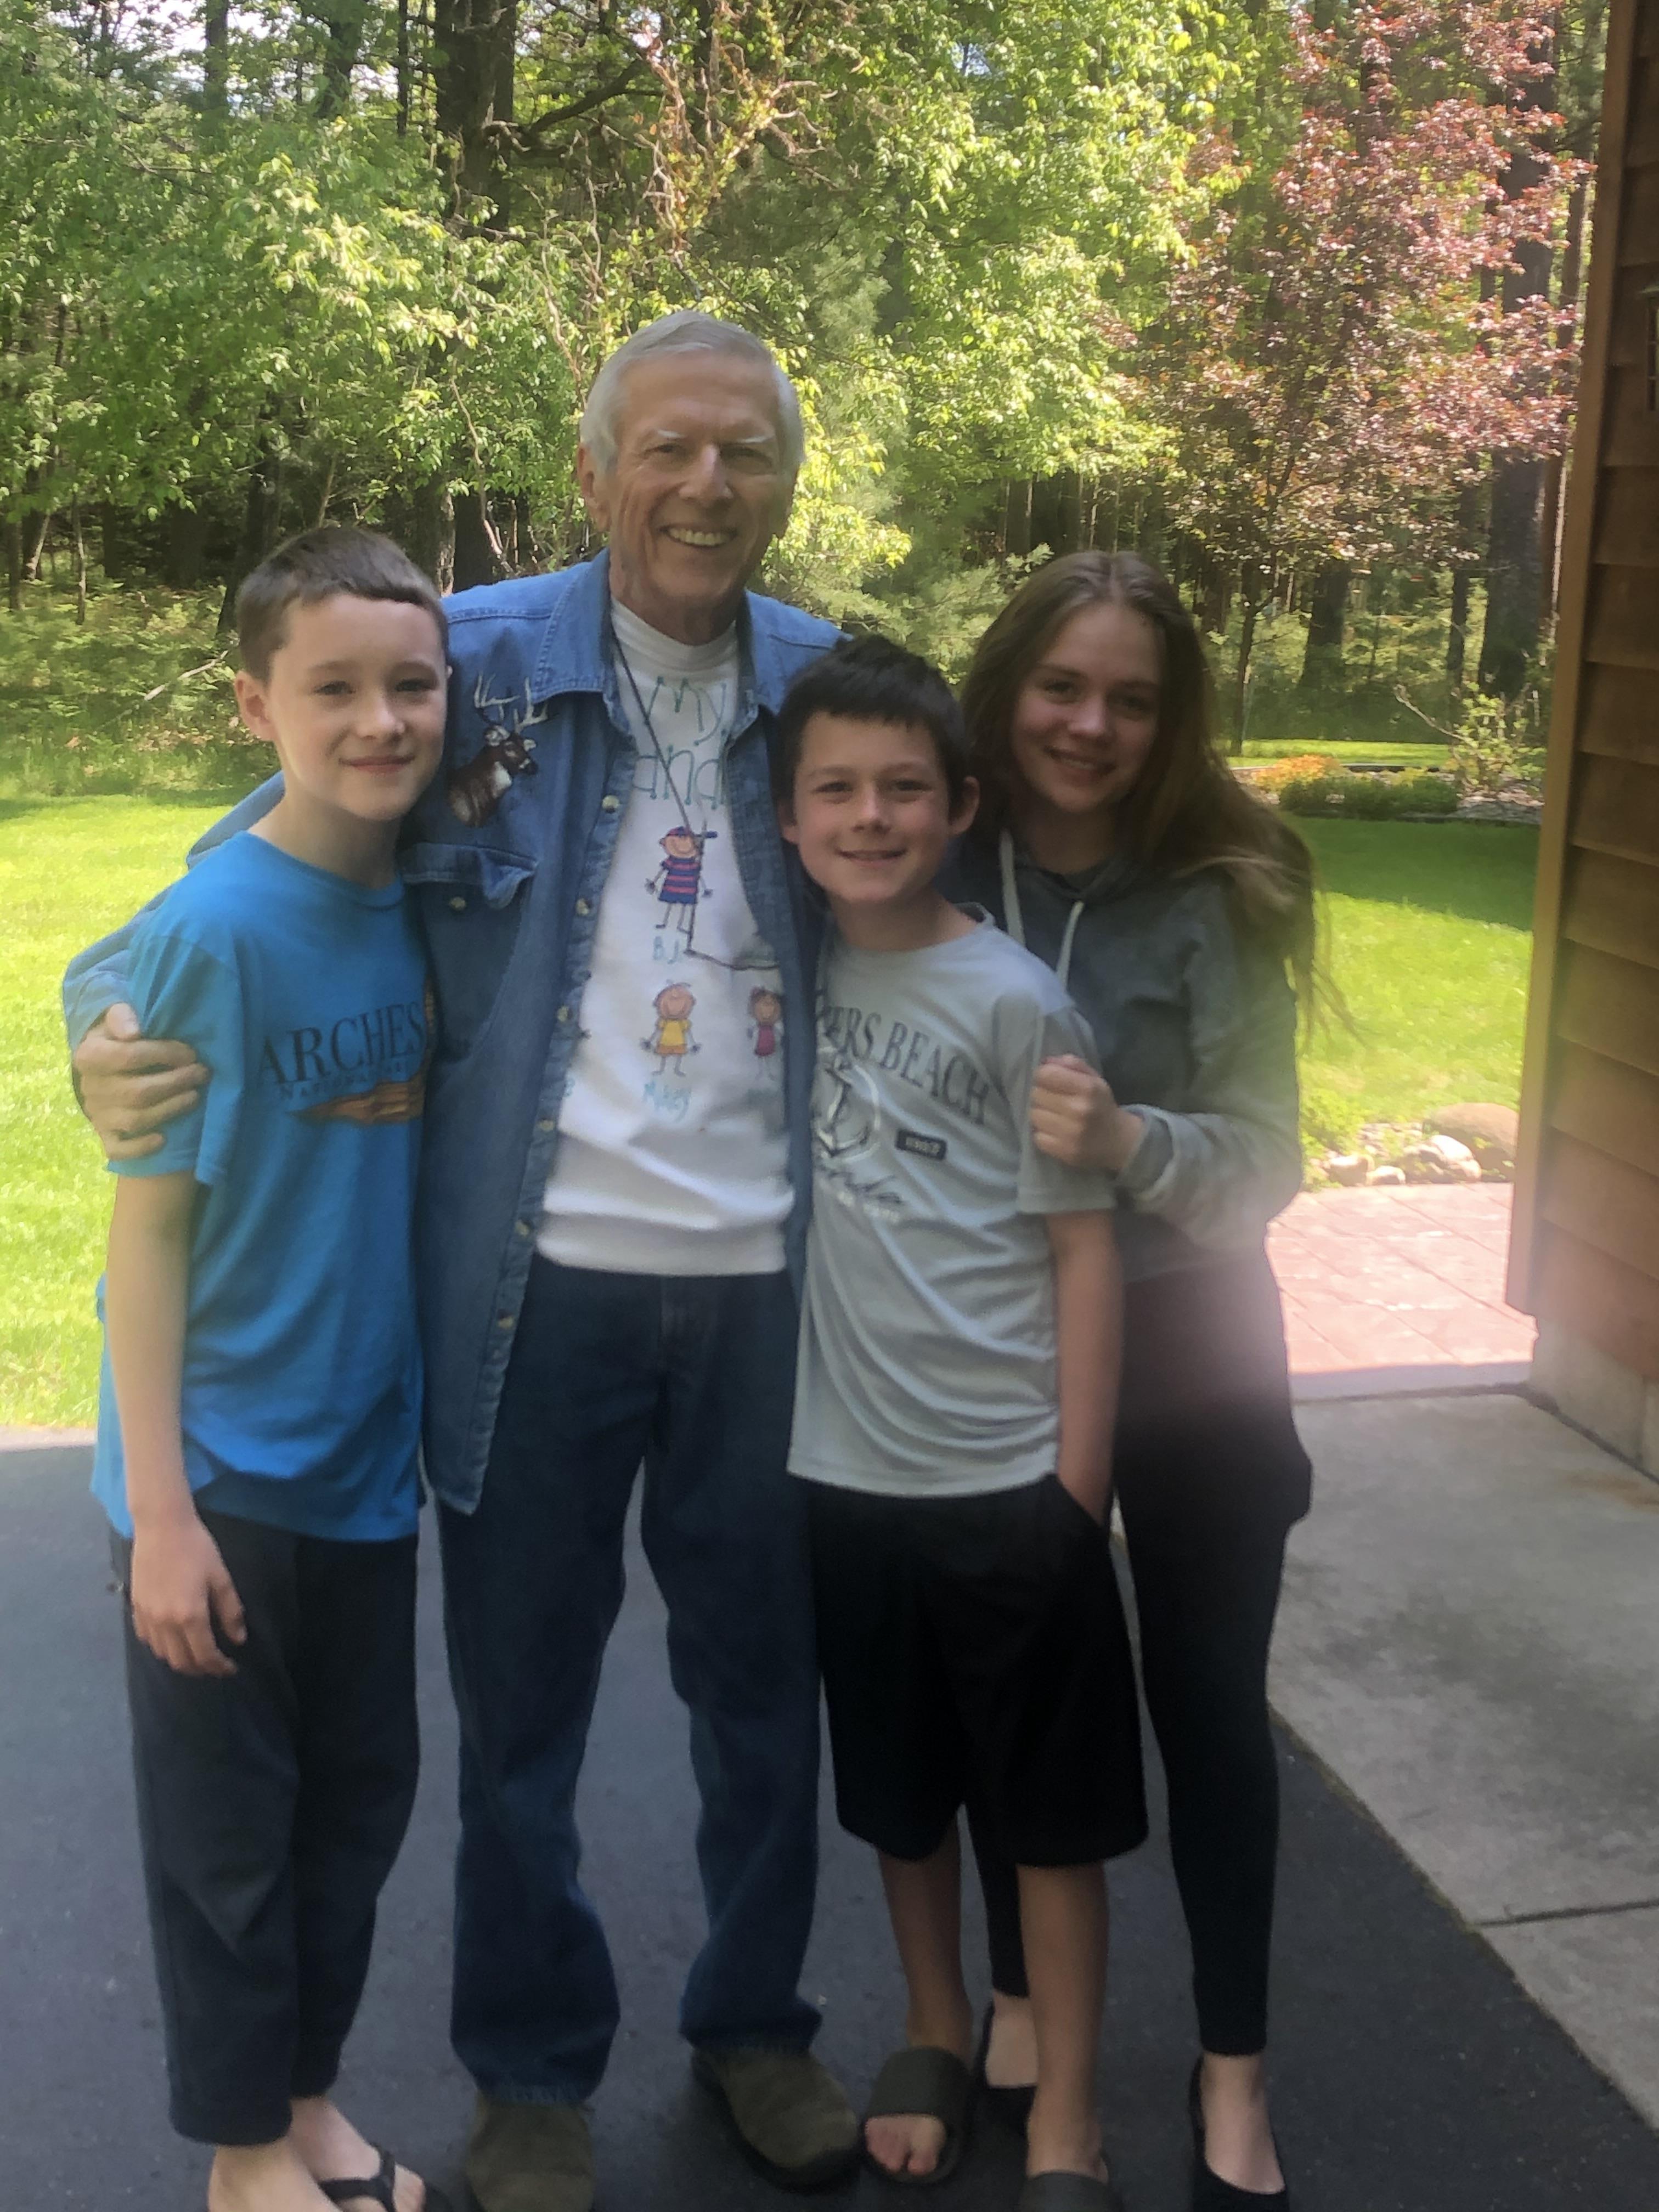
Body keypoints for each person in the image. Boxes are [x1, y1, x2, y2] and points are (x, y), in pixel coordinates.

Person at [63, 314, 860, 2212]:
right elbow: (249, 854)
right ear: (596, 472)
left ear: (785, 478)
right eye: (667, 448)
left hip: (767, 1285)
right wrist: (105, 1014)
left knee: (766, 1693)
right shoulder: (472, 665)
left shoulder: (832, 689)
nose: (707, 486)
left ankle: (756, 2027)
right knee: (521, 1718)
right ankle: (532, 2072)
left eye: (746, 452)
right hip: (532, 1292)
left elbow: (922, 898)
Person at [82, 528, 451, 2212]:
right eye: (335, 689)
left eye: (411, 686)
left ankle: (303, 2105)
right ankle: (243, 2164)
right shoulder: (214, 931)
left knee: (352, 1815)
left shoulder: (418, 905)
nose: (380, 721)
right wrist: (160, 1516)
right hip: (219, 1479)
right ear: (257, 708)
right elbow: (147, 1243)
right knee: (228, 1847)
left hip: (361, 1471)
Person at [945, 551, 1315, 2211]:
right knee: (1011, 1682)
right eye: (1062, 686)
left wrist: (1131, 1143)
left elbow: (1266, 1158)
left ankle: (1233, 2064)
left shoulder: (1220, 891)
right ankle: (1020, 1994)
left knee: (1209, 1704)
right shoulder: (937, 850)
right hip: (992, 1336)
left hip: (1193, 1343)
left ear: (1174, 724)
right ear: (1008, 686)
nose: (1090, 725)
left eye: (1132, 701)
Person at [776, 636, 1148, 2212]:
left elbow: (1084, 1249)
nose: (870, 818)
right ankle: (935, 2026)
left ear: (961, 805)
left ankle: (1067, 2109)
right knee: (900, 1793)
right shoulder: (792, 971)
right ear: (787, 819)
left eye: (904, 789)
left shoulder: (1016, 1000)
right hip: (843, 1479)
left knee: (1049, 1821)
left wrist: (1077, 1486)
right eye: (835, 790)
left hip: (1008, 1482)